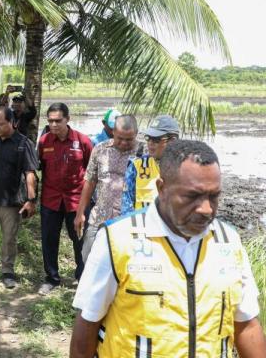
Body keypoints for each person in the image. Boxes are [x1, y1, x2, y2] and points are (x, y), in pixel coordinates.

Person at [70, 140, 266, 357]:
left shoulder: (229, 241)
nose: (206, 209)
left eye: (214, 196)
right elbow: (87, 325)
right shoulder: (117, 240)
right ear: (161, 188)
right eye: (192, 196)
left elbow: (246, 324)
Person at [36, 103, 93, 294]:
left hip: (76, 201)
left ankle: (82, 277)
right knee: (49, 240)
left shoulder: (83, 141)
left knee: (79, 240)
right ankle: (52, 277)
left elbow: (91, 173)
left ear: (67, 119)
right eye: (50, 121)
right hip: (50, 200)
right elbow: (40, 167)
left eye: (57, 120)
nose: (53, 124)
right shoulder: (44, 141)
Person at [0, 106, 38, 289]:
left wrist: (31, 200)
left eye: (1, 124)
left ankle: (7, 272)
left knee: (9, 239)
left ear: (12, 122)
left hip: (11, 202)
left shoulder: (23, 143)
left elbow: (30, 173)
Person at [75, 115, 138, 262]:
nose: (123, 143)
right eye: (120, 138)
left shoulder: (144, 153)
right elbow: (90, 181)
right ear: (113, 131)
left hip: (130, 221)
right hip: (100, 218)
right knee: (89, 259)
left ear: (136, 134)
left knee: (124, 264)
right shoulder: (100, 149)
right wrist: (80, 213)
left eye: (129, 139)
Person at [121, 115, 180, 215]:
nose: (150, 143)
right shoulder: (137, 167)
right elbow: (126, 205)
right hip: (144, 228)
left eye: (156, 139)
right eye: (148, 138)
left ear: (172, 141)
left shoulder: (187, 169)